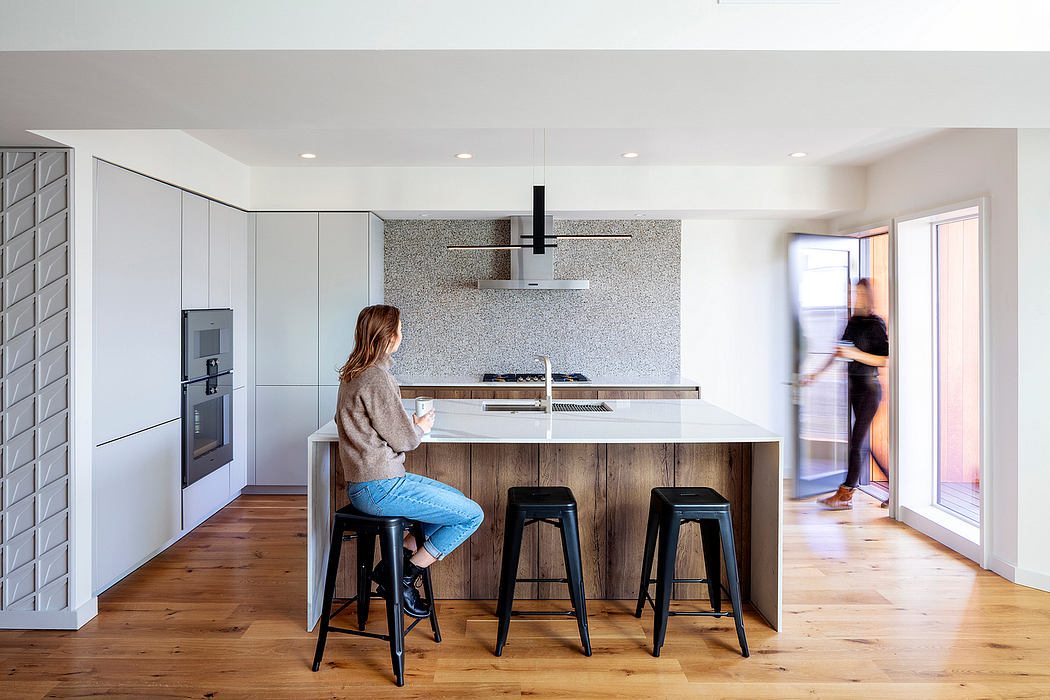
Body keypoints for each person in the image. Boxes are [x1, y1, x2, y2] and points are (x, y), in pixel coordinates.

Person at [335, 304, 484, 618]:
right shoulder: (377, 377)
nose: (402, 335)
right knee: (471, 515)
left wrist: (408, 424)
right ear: (390, 336)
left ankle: (396, 560)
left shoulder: (354, 372)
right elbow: (405, 440)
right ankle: (402, 577)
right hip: (380, 488)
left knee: (454, 501)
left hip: (369, 485)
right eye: (400, 329)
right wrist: (420, 427)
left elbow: (379, 427)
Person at [802, 278, 889, 510]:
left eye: (860, 294)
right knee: (860, 443)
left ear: (868, 297)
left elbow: (884, 359)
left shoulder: (875, 324)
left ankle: (845, 494)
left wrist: (857, 353)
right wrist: (815, 374)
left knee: (856, 442)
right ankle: (897, 487)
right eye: (853, 293)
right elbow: (839, 351)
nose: (855, 297)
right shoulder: (853, 322)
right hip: (854, 388)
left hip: (870, 389)